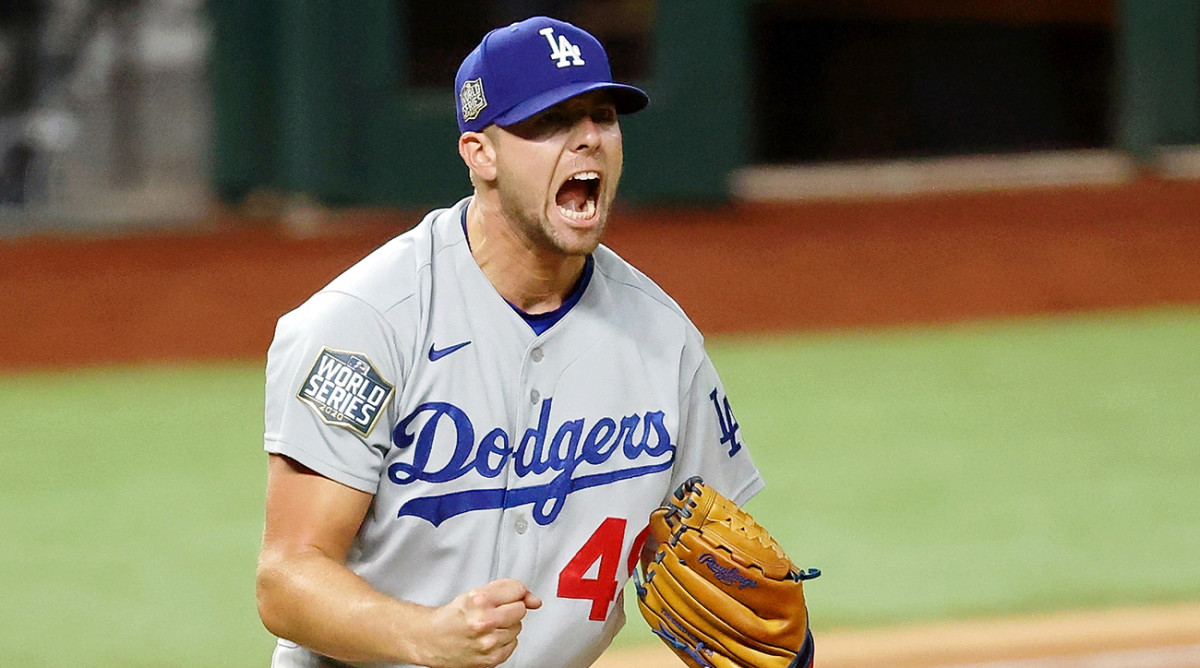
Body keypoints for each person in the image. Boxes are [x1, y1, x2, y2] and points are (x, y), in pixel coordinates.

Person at [256, 15, 763, 668]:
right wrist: (424, 634)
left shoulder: (664, 340)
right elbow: (287, 579)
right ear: (480, 153)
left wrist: (757, 631)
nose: (586, 139)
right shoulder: (366, 324)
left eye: (602, 115)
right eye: (551, 121)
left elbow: (712, 554)